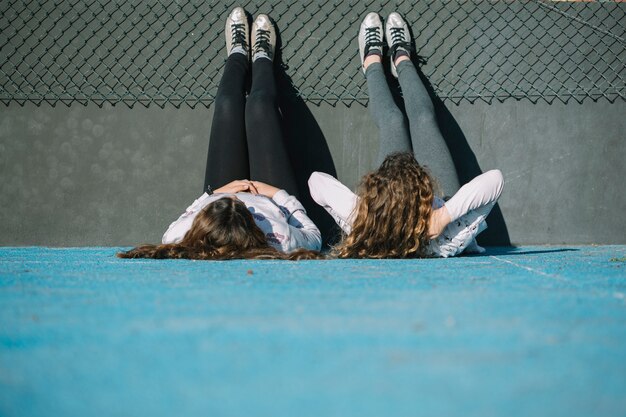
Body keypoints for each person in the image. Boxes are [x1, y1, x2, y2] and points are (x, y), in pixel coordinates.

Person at [119, 8, 322, 260]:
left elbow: (167, 235)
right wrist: (277, 195)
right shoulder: (280, 239)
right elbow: (314, 237)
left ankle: (237, 53)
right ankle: (262, 56)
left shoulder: (181, 237)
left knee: (227, 105)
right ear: (255, 229)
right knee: (259, 107)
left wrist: (215, 194)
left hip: (223, 193)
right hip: (271, 197)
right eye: (242, 205)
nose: (241, 198)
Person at [308, 12, 504, 258]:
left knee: (393, 120)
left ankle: (371, 62)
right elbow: (495, 180)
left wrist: (365, 214)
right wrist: (442, 217)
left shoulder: (364, 223)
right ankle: (401, 57)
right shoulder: (447, 238)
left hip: (390, 210)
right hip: (440, 205)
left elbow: (316, 181)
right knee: (422, 118)